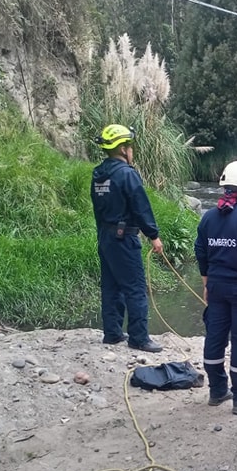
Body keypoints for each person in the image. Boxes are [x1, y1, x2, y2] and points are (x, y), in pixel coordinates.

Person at [194, 161, 237, 414]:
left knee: (215, 338)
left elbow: (201, 252)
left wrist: (206, 284)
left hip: (216, 287)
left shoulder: (208, 218)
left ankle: (217, 390)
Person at [91, 124, 164, 353]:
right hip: (125, 239)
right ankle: (139, 338)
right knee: (135, 288)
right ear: (122, 149)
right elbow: (140, 207)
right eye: (129, 146)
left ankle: (112, 333)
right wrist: (153, 236)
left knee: (111, 286)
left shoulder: (98, 174)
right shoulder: (127, 174)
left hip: (105, 237)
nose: (131, 150)